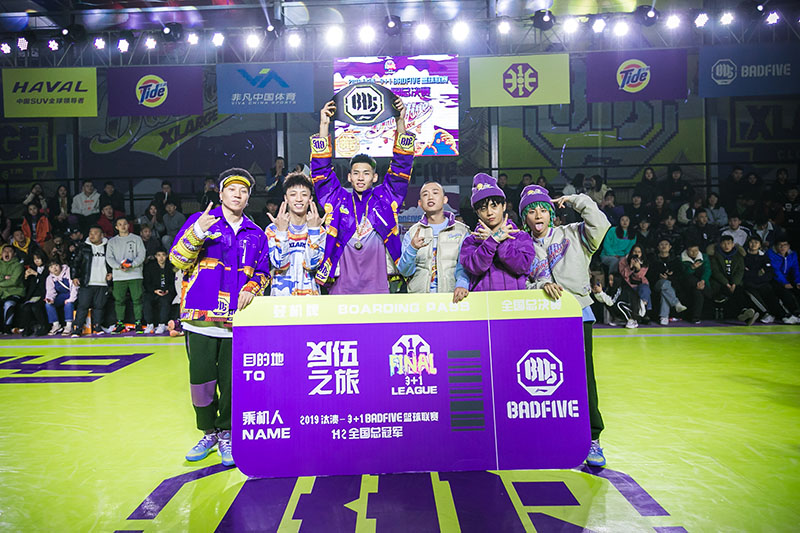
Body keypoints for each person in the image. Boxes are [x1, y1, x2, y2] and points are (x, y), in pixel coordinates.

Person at [169, 168, 270, 467]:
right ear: (221, 193)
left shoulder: (256, 233)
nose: (238, 195)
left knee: (231, 383)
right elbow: (177, 259)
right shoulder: (201, 222)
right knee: (200, 381)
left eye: (244, 191)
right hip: (200, 318)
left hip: (236, 322)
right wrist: (197, 233)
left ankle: (226, 433)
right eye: (232, 189)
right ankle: (208, 432)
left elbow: (263, 272)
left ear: (248, 198)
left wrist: (252, 288)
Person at [520, 184, 610, 467]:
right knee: (544, 379)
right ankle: (550, 435)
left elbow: (601, 224)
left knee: (583, 378)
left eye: (542, 209)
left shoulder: (574, 234)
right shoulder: (521, 245)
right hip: (541, 320)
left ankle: (592, 437)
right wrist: (539, 286)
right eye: (531, 211)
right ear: (524, 217)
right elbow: (518, 283)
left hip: (578, 314)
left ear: (551, 213)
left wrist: (576, 200)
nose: (538, 215)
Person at [311, 98, 414, 294]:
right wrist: (324, 125)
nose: (360, 177)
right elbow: (321, 173)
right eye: (356, 173)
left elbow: (401, 166)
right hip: (342, 284)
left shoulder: (385, 197)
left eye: (366, 173)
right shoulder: (338, 199)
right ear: (349, 177)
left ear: (374, 177)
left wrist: (400, 122)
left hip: (378, 284)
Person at [460, 174, 535, 291]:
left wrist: (497, 242)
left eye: (494, 206)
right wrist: (492, 241)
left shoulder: (520, 236)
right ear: (477, 212)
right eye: (483, 208)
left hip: (515, 300)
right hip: (483, 301)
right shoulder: (471, 241)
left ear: (504, 206)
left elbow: (522, 266)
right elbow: (476, 268)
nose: (489, 212)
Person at [399, 181, 470, 302]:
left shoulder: (461, 231)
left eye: (435, 193)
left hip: (452, 298)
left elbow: (465, 265)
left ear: (445, 200)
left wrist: (462, 284)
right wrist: (412, 248)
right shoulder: (412, 233)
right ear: (420, 203)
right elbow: (405, 271)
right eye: (425, 194)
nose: (430, 197)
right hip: (420, 300)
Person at [265, 173, 325, 296]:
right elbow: (280, 264)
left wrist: (314, 231)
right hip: (281, 300)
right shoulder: (272, 229)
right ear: (286, 198)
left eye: (304, 194)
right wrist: (282, 232)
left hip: (310, 300)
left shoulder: (319, 230)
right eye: (293, 194)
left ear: (310, 199)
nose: (298, 199)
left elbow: (311, 265)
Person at [743, 236, 799, 325]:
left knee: (774, 292)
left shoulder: (764, 257)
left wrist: (757, 275)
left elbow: (769, 272)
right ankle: (774, 314)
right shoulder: (743, 256)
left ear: (760, 245)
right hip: (750, 283)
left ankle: (789, 314)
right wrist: (757, 273)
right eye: (751, 242)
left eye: (756, 242)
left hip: (764, 282)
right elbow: (744, 273)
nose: (753, 245)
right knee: (757, 292)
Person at [71, 225, 112, 337]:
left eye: (95, 233)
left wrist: (111, 273)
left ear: (102, 235)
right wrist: (74, 276)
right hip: (87, 282)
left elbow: (113, 262)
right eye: (90, 233)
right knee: (82, 306)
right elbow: (75, 263)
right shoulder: (83, 247)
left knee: (99, 306)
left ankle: (97, 327)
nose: (92, 235)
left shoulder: (108, 247)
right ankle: (77, 329)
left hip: (102, 282)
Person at [106, 217, 146, 333]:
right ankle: (120, 323)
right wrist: (119, 266)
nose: (123, 226)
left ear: (128, 225)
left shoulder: (136, 239)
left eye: (125, 224)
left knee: (137, 299)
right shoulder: (112, 241)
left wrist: (132, 265)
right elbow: (109, 257)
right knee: (119, 300)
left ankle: (138, 322)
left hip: (135, 274)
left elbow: (142, 255)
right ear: (116, 227)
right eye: (120, 224)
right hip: (119, 276)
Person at [708, 235, 759, 325]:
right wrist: (727, 284)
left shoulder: (738, 255)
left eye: (728, 243)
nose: (726, 246)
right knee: (729, 292)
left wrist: (734, 283)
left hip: (734, 281)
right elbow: (715, 272)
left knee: (739, 290)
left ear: (733, 244)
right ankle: (745, 312)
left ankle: (745, 313)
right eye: (724, 244)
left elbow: (740, 270)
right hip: (720, 282)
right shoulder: (715, 255)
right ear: (720, 244)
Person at [648, 238, 687, 326]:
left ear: (670, 247)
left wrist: (670, 277)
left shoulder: (676, 260)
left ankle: (664, 317)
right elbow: (648, 275)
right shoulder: (653, 260)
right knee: (664, 284)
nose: (664, 246)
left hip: (672, 285)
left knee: (665, 290)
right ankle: (676, 303)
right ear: (658, 247)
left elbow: (681, 276)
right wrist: (658, 276)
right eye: (661, 244)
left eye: (666, 244)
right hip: (657, 284)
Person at [143, 249, 176, 334]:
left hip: (167, 292)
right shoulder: (150, 267)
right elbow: (146, 283)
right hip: (153, 291)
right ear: (155, 256)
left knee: (165, 302)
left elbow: (173, 282)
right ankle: (150, 324)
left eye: (163, 255)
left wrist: (168, 290)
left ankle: (162, 324)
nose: (161, 258)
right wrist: (155, 290)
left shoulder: (170, 267)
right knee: (147, 301)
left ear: (167, 256)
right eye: (159, 255)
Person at [618, 245, 651, 327]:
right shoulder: (623, 261)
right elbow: (624, 275)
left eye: (639, 252)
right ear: (631, 252)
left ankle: (643, 305)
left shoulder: (645, 262)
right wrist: (630, 267)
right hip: (628, 285)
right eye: (635, 251)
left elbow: (640, 277)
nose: (637, 253)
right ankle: (642, 313)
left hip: (640, 283)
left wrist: (638, 269)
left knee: (645, 288)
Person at [18, 249, 49, 337]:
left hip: (44, 294)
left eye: (38, 258)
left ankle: (44, 326)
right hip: (33, 295)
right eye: (35, 259)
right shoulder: (32, 268)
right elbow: (27, 285)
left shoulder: (47, 268)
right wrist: (25, 277)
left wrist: (37, 274)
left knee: (36, 307)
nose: (36, 261)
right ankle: (28, 328)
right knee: (26, 307)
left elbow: (46, 282)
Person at [767, 238, 800, 319]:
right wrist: (785, 283)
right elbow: (775, 271)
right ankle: (794, 312)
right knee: (784, 292)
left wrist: (798, 282)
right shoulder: (770, 254)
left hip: (787, 277)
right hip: (774, 279)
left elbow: (796, 269)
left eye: (785, 245)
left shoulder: (793, 254)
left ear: (788, 246)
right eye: (780, 245)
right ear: (776, 246)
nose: (782, 247)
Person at [680, 242, 712, 324]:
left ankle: (695, 318)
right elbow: (682, 274)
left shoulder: (704, 257)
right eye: (691, 251)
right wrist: (692, 268)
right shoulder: (681, 258)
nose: (694, 253)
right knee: (689, 278)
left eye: (696, 250)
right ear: (687, 250)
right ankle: (708, 293)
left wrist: (703, 281)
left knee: (697, 292)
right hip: (688, 284)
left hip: (701, 283)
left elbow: (707, 270)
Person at [44, 260, 78, 335]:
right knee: (48, 304)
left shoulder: (68, 272)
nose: (54, 268)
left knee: (68, 304)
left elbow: (74, 288)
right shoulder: (49, 278)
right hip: (62, 296)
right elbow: (50, 291)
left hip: (72, 294)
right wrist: (50, 299)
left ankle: (69, 326)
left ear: (60, 266)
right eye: (51, 267)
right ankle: (56, 325)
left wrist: (71, 299)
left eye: (56, 265)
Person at [0, 245, 24, 334]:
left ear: (14, 254)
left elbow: (14, 281)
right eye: (4, 251)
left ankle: (7, 327)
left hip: (15, 292)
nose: (6, 253)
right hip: (1, 293)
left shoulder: (18, 265)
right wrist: (5, 278)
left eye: (9, 251)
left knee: (9, 304)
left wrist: (2, 280)